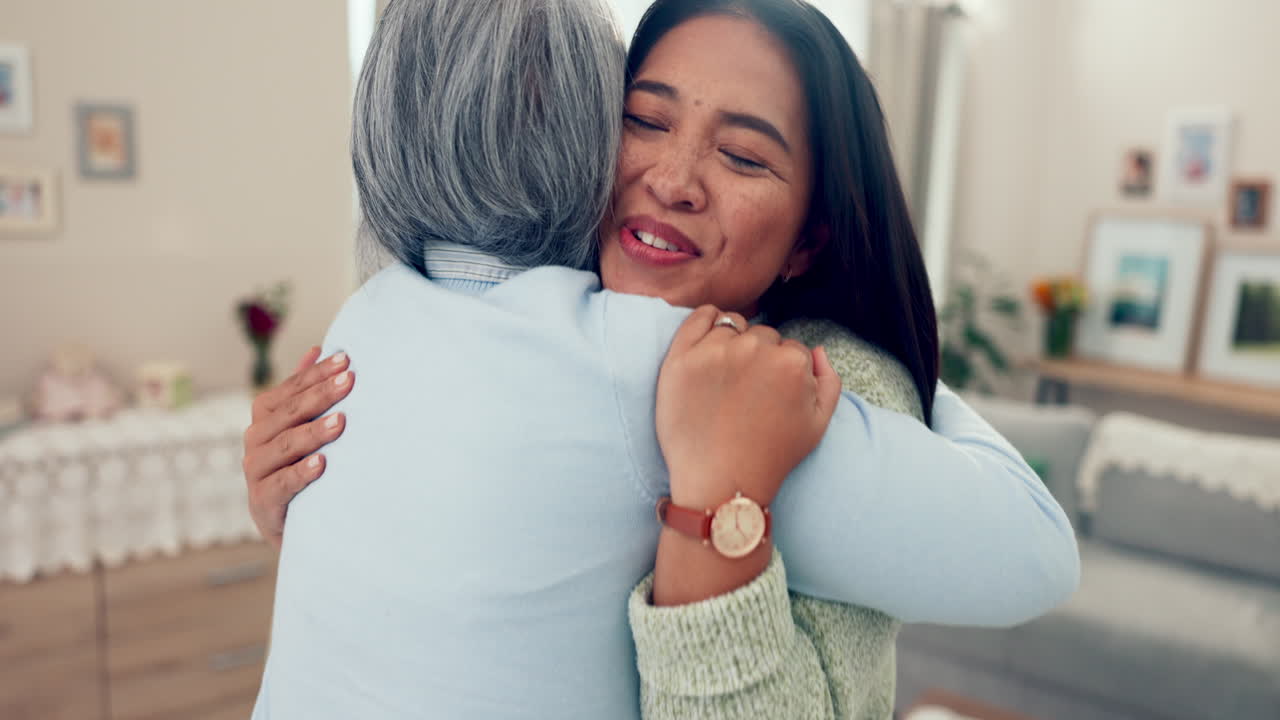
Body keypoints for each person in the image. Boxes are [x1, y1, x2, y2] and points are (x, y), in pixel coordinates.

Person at [248, 1, 1079, 718]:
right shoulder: (592, 350)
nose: (675, 179)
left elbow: (1039, 553)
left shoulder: (377, 310)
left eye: (745, 157)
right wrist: (302, 502)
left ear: (808, 242)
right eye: (644, 120)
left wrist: (871, 345)